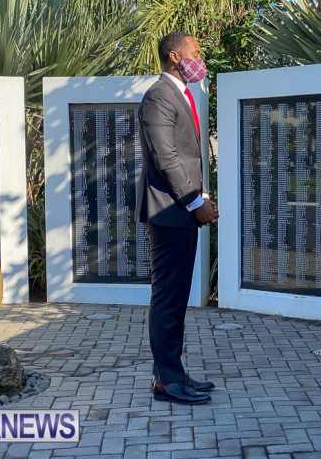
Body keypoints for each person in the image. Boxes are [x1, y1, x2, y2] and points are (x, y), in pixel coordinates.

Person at [136, 31, 219, 405]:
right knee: (168, 298)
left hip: (181, 211)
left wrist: (202, 196)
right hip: (169, 213)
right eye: (195, 53)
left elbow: (186, 157)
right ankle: (167, 382)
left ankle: (172, 372)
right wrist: (192, 201)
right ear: (174, 56)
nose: (199, 59)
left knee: (177, 298)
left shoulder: (179, 95)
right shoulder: (158, 96)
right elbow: (165, 157)